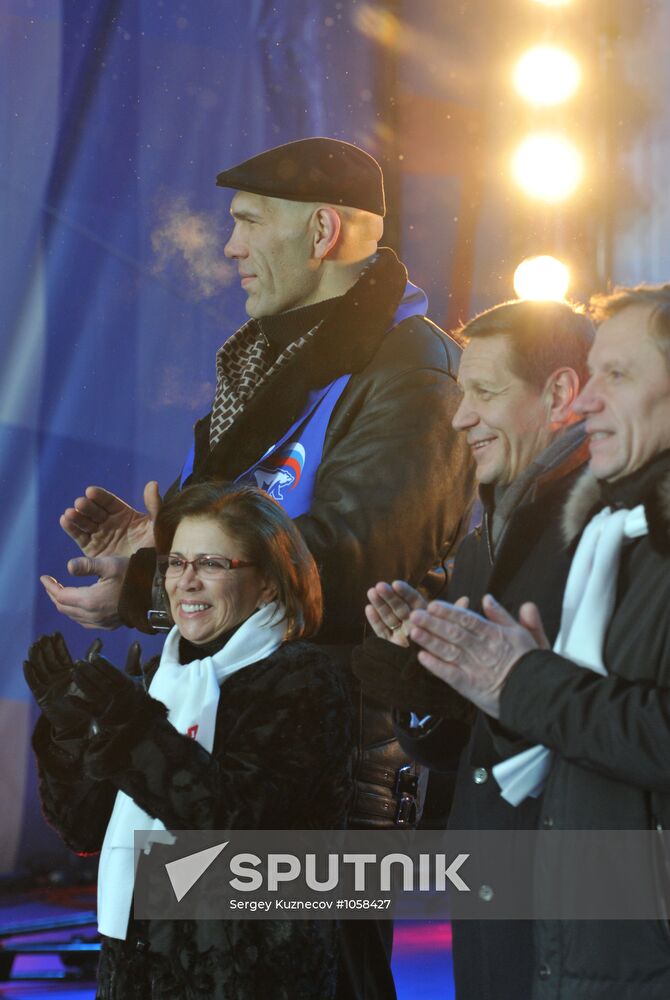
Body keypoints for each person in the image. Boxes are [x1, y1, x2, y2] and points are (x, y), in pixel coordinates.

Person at [40, 137, 474, 999]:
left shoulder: (410, 369)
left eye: (247, 223)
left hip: (327, 772)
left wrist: (150, 591)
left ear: (321, 231)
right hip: (230, 753)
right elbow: (257, 535)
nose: (230, 246)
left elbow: (359, 561)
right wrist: (158, 553)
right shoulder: (277, 363)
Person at [407, 284, 670, 999]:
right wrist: (422, 677)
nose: (588, 403)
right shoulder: (613, 531)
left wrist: (520, 681)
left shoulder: (606, 530)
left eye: (616, 375)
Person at [26, 482, 353, 1000]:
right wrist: (70, 733)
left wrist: (131, 728)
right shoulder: (163, 676)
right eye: (175, 563)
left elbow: (230, 824)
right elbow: (83, 827)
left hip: (248, 976)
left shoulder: (300, 679)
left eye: (212, 564)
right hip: (138, 969)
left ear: (268, 582)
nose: (186, 582)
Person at [353, 297, 594, 1000]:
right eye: (461, 394)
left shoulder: (615, 529)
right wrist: (421, 680)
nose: (459, 419)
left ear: (559, 393)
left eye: (484, 394)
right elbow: (470, 757)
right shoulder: (484, 534)